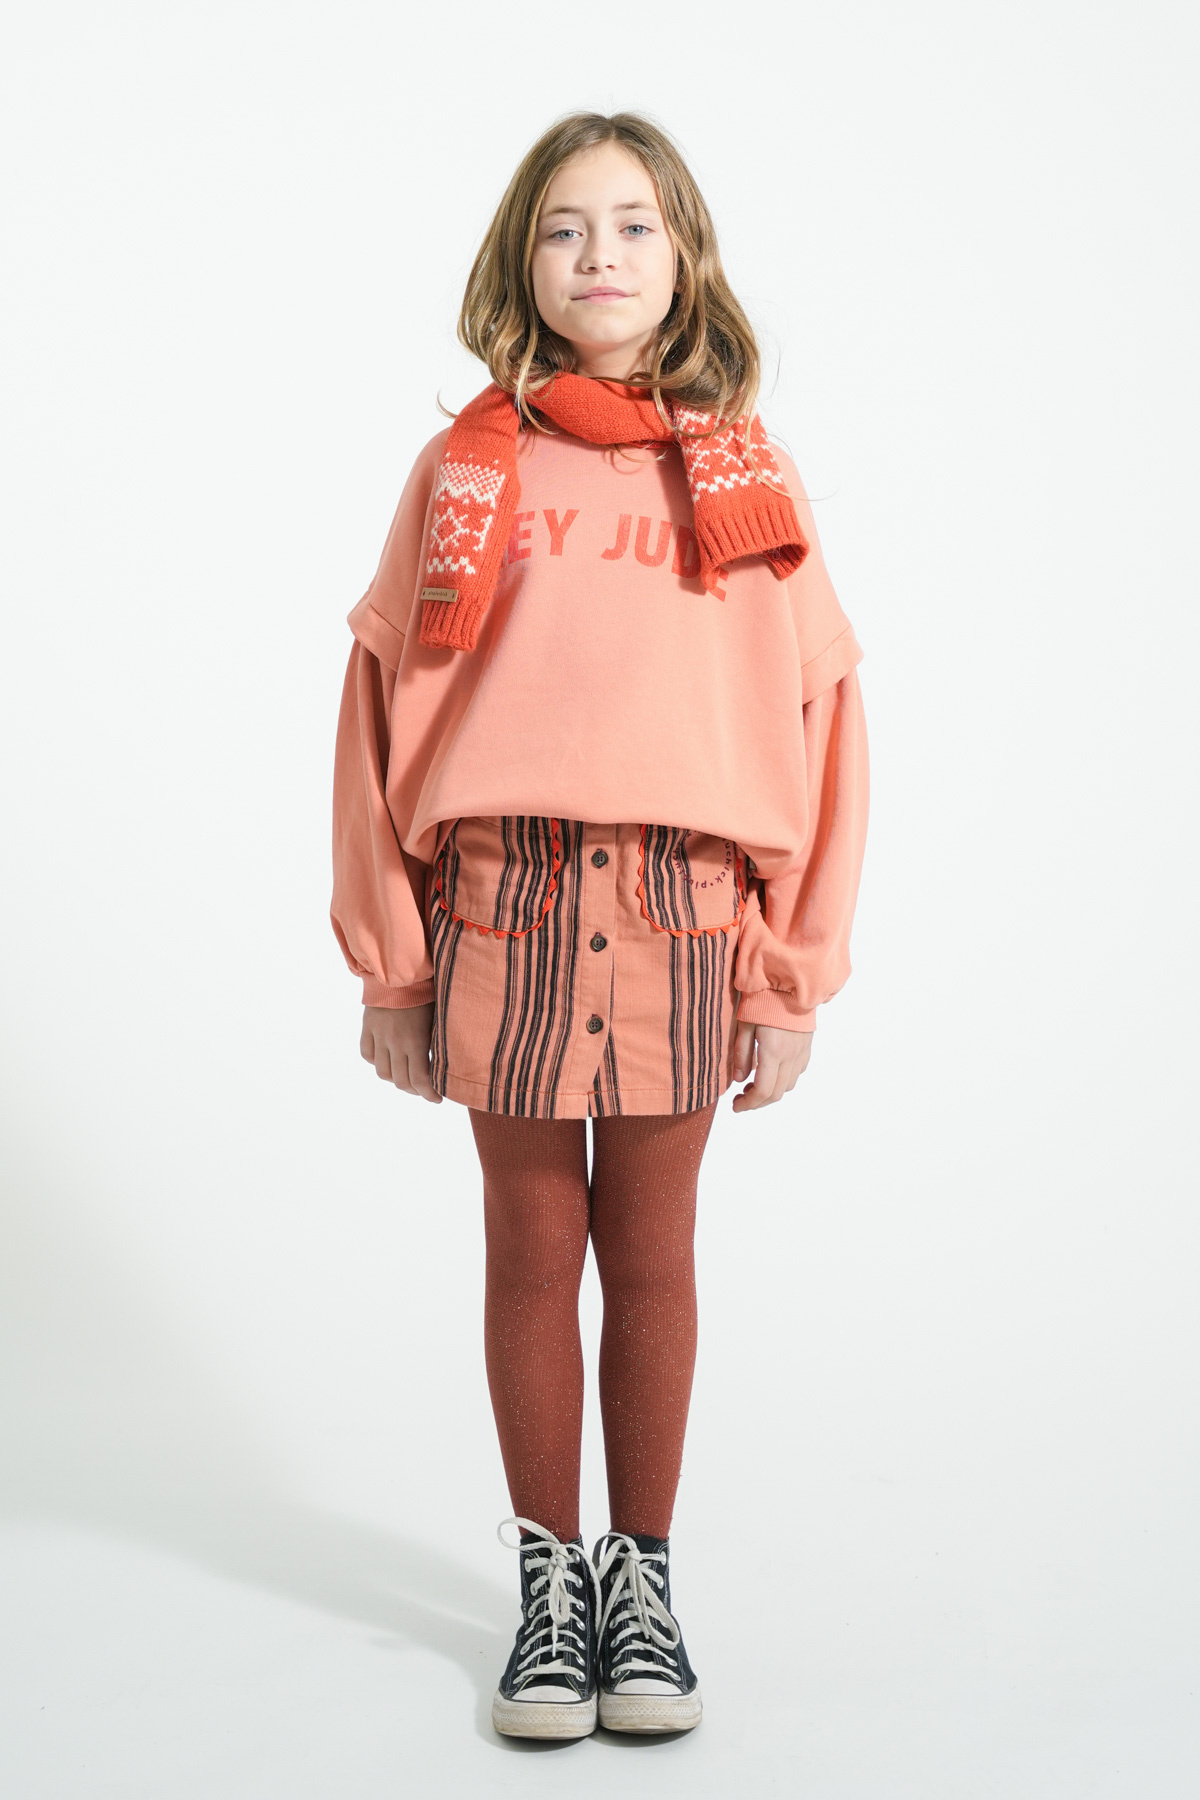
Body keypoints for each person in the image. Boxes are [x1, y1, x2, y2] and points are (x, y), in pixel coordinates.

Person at [330, 110, 869, 1741]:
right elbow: (380, 707)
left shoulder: (742, 474)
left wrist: (792, 973)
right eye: (566, 228)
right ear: (524, 261)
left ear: (684, 255)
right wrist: (392, 959)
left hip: (685, 909)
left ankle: (644, 1583)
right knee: (527, 1243)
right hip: (503, 902)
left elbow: (822, 716)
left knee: (651, 1250)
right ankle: (547, 1586)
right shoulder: (464, 471)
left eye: (635, 225)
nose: (602, 257)